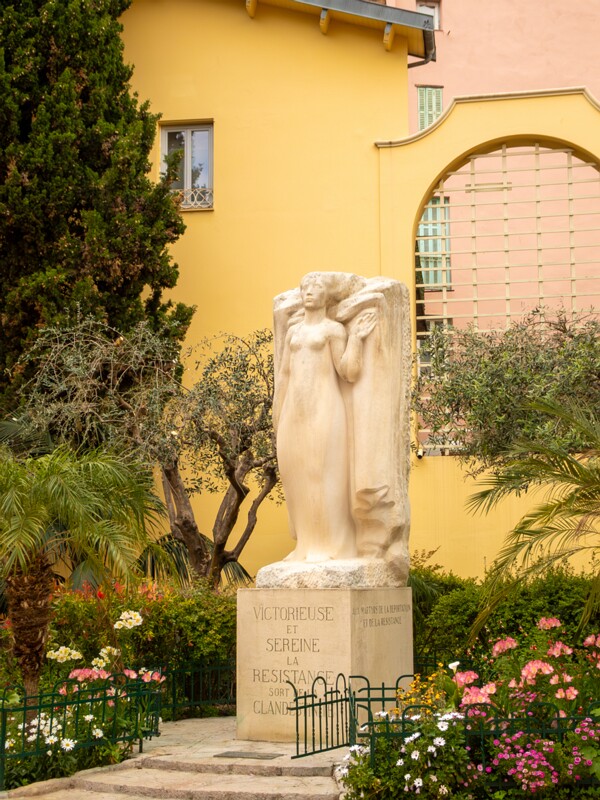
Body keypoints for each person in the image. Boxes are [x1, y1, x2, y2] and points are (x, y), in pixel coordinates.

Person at [273, 272, 376, 561]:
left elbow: (348, 371)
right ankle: (304, 546)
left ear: (326, 295)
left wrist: (356, 338)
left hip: (325, 407)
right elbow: (284, 373)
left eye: (316, 287)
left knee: (321, 472)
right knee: (295, 476)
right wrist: (277, 412)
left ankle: (331, 546)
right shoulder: (293, 333)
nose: (309, 292)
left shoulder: (333, 330)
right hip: (294, 410)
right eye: (305, 287)